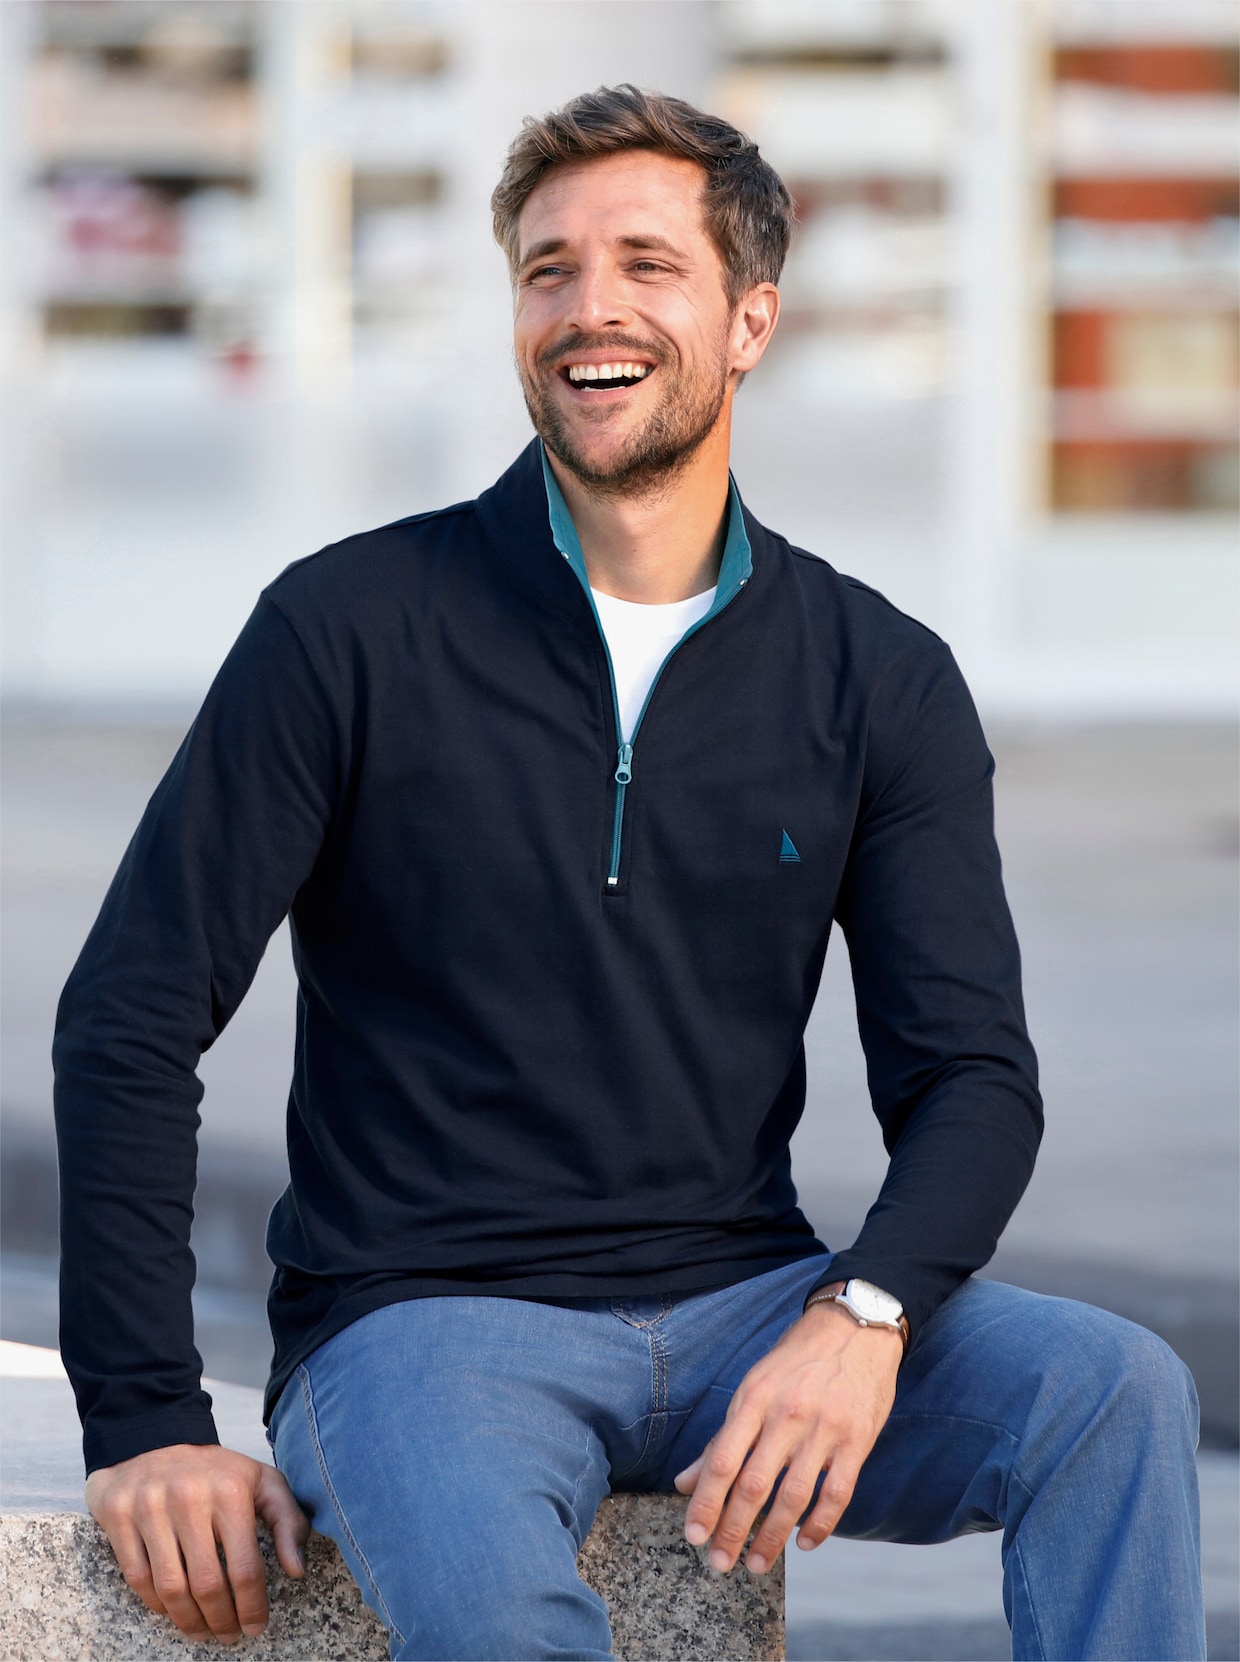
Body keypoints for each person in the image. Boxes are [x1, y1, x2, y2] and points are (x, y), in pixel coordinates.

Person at [54, 86, 1204, 1662]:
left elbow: (973, 1077)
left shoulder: (875, 674)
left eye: (647, 264)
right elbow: (130, 1013)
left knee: (1113, 1392)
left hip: (748, 1299)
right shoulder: (347, 629)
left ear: (750, 320)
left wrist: (863, 1311)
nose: (589, 307)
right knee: (508, 1624)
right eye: (550, 269)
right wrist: (143, 1417)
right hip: (421, 1327)